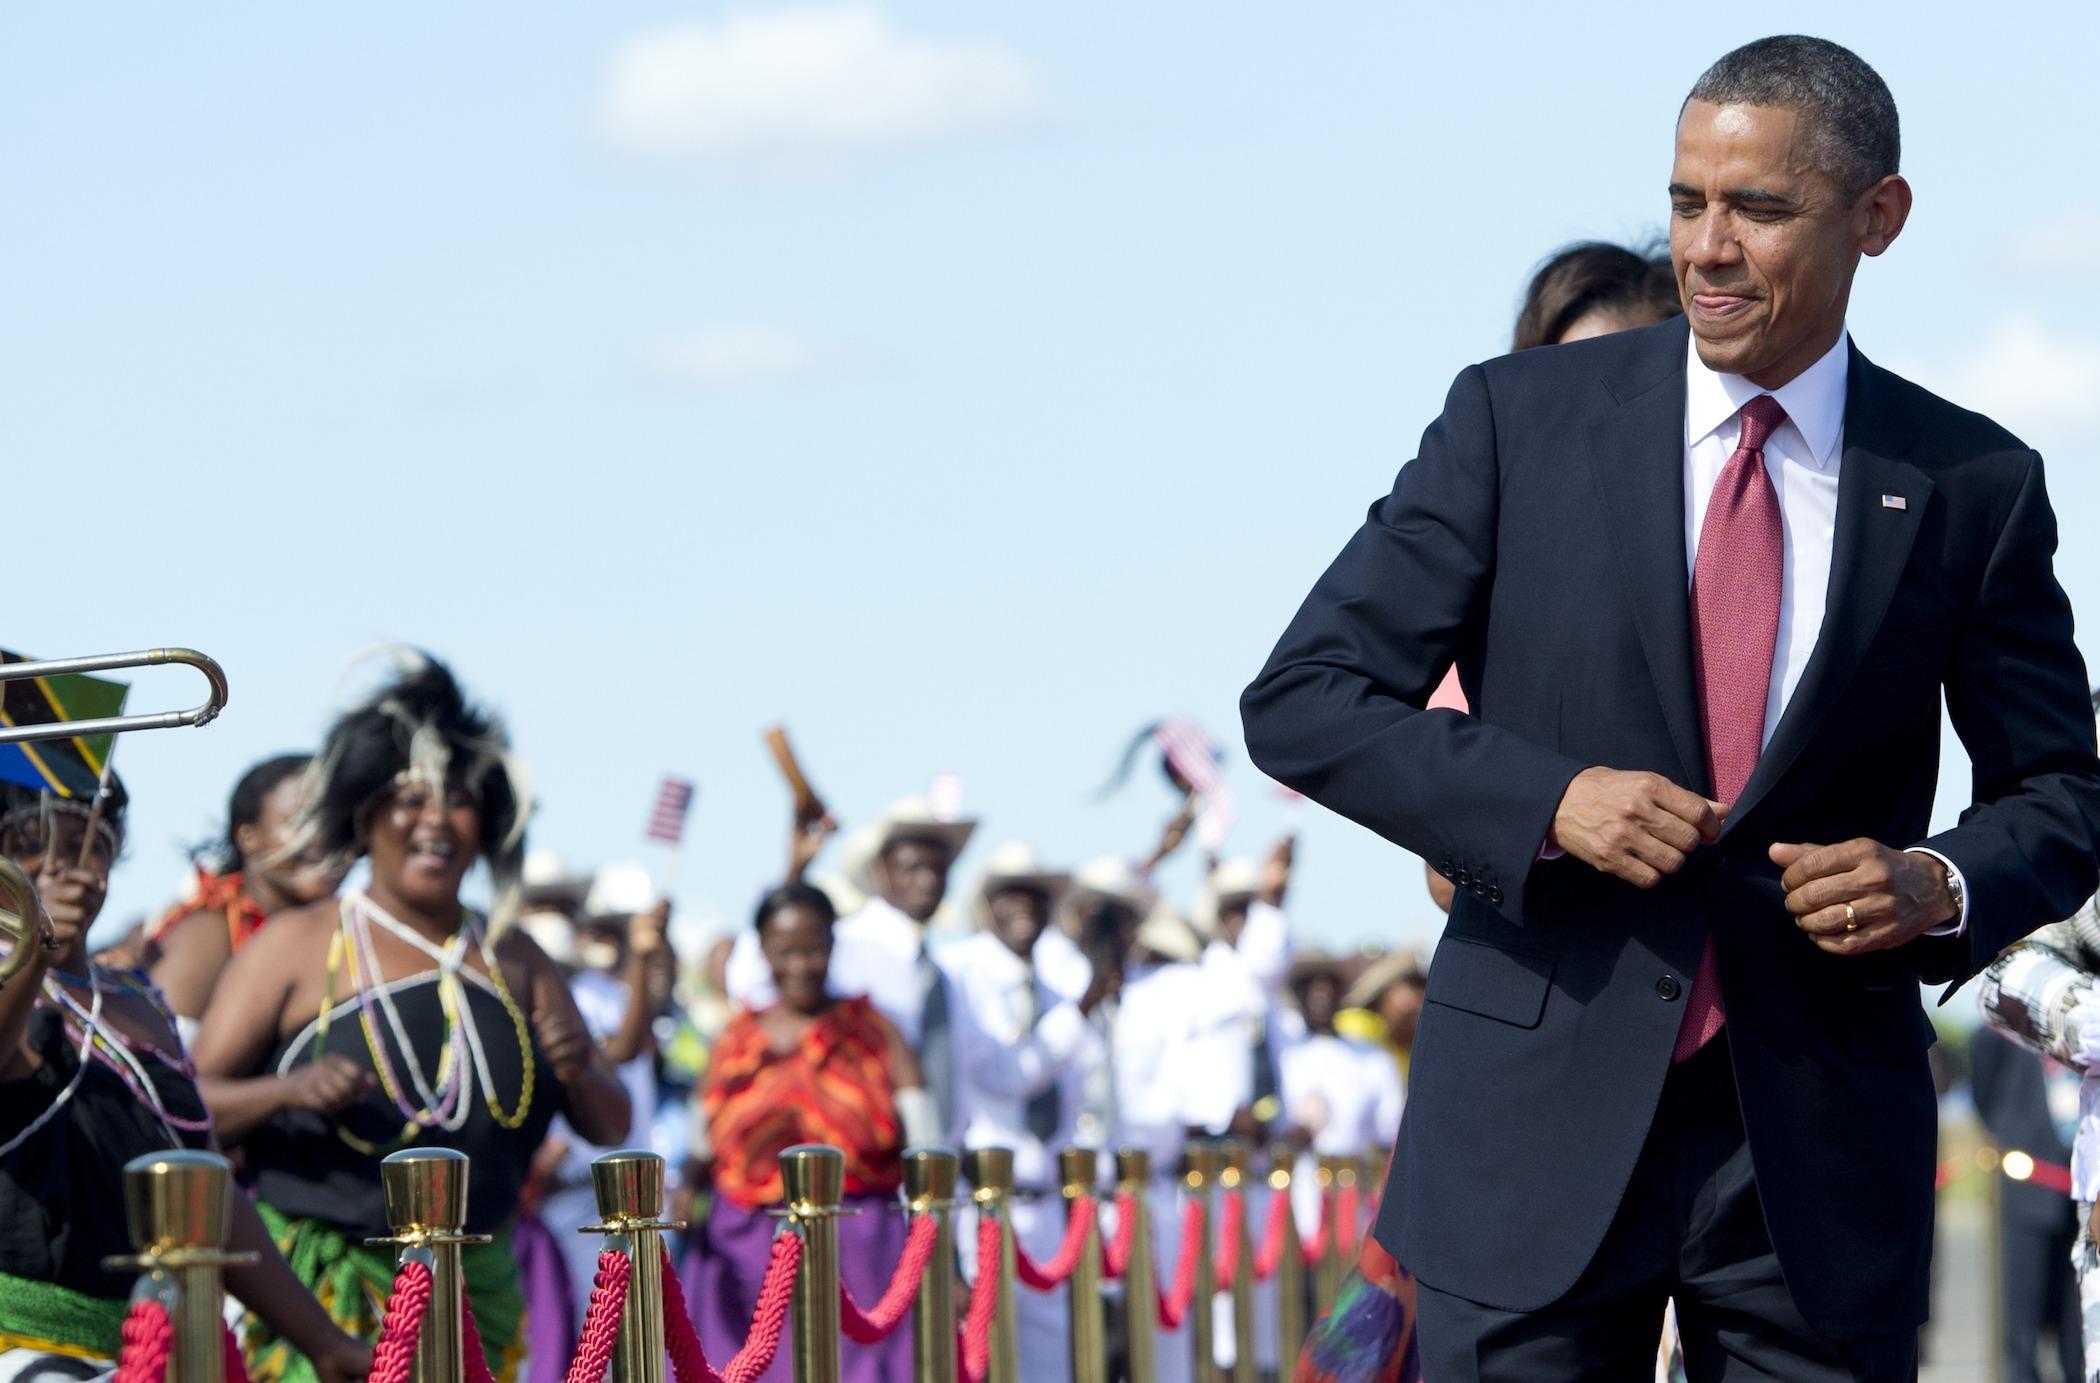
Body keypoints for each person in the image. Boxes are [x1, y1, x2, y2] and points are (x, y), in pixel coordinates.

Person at [1243, 34, 2100, 1379]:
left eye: (1757, 208)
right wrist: (1545, 799)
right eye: (1688, 199)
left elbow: (2063, 788)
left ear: (1878, 217)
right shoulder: (1513, 420)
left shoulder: (1970, 480)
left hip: (1812, 1163)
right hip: (1526, 1143)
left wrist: (1933, 878)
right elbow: (1303, 698)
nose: (1706, 245)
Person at [192, 654, 632, 1383]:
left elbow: (610, 1125)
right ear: (364, 815)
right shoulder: (298, 945)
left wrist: (580, 1066)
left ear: (485, 821)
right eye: (409, 797)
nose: (435, 819)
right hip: (323, 1296)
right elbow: (189, 1106)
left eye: (457, 799)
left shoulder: (514, 955)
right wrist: (283, 1091)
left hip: (478, 1288)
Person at [0, 778, 369, 1383]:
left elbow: (204, 1180)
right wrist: (33, 950)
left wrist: (324, 1343)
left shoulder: (136, 999)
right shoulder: (16, 991)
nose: (64, 864)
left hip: (143, 1345)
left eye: (86, 842)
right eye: (34, 843)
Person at [1424, 238, 1685, 913]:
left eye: (1617, 378)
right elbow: (1445, 874)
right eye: (1557, 380)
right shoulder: (1491, 601)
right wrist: (1557, 809)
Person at [692, 883, 935, 1383]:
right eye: (785, 952)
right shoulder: (738, 1039)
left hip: (859, 1237)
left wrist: (939, 1248)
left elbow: (924, 1139)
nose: (801, 965)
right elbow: (703, 1140)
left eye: (814, 949)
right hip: (747, 1241)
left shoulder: (871, 1030)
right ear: (763, 952)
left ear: (831, 945)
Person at [943, 844, 1107, 1383]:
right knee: (979, 1357)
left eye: (1037, 897)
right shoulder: (959, 973)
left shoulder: (1054, 988)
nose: (1026, 908)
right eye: (1012, 895)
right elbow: (1003, 1073)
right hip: (981, 1201)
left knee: (1049, 1364)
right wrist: (1079, 1012)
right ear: (988, 904)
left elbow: (1082, 1095)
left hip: (1045, 1206)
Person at [726, 795, 976, 1126]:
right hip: (856, 1155)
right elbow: (750, 982)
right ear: (880, 870)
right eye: (913, 867)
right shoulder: (844, 943)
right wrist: (795, 872)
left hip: (934, 1163)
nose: (928, 880)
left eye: (938, 868)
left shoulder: (944, 971)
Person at [537, 864, 674, 1322]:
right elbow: (619, 1052)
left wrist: (647, 955)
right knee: (599, 1328)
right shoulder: (581, 993)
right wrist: (639, 955)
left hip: (640, 1187)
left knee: (647, 1326)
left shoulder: (627, 991)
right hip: (583, 1189)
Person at [147, 755, 348, 1041]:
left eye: (335, 824)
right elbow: (158, 1062)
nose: (321, 838)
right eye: (300, 823)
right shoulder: (209, 932)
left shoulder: (353, 936)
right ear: (249, 837)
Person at [1969, 1025, 2083, 1383]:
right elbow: (1984, 1083)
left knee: (2078, 1318)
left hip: (2080, 1186)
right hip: (2029, 1181)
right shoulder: (2006, 1023)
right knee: (2021, 1316)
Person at [1278, 957, 1403, 1236]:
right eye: (1311, 985)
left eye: (1329, 985)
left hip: (1352, 1206)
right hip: (1284, 1206)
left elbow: (1390, 1134)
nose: (1320, 994)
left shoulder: (1372, 1057)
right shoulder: (1280, 1053)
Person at [1333, 951, 1426, 1080]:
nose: (1419, 1003)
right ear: (1385, 993)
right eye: (1413, 990)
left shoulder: (1408, 1048)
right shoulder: (1358, 1025)